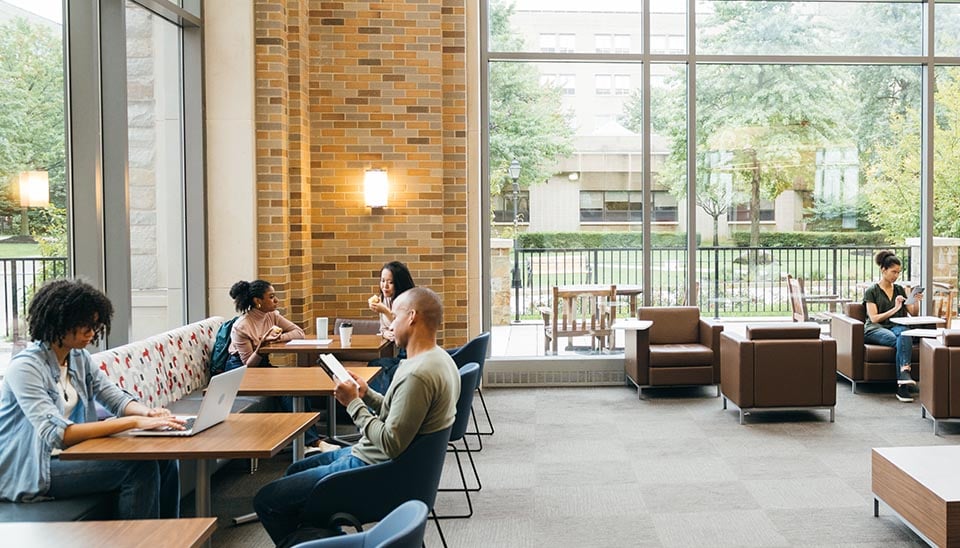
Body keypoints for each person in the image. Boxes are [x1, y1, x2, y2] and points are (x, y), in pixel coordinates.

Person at [254, 287, 460, 545]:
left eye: (394, 317)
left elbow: (391, 442)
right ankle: (327, 539)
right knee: (297, 469)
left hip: (378, 470)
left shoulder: (417, 373)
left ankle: (323, 541)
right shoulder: (439, 359)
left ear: (412, 317)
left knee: (268, 500)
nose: (390, 325)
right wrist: (367, 394)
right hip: (392, 466)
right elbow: (402, 413)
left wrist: (352, 403)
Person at [0, 279, 182, 518]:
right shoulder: (26, 368)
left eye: (95, 325)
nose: (92, 332)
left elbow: (113, 397)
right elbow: (58, 434)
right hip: (33, 468)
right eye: (85, 325)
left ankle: (170, 539)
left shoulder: (78, 358)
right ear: (59, 321)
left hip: (71, 455)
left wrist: (147, 413)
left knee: (165, 460)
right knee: (139, 467)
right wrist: (134, 423)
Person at [863, 250, 923, 402]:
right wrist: (895, 309)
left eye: (898, 273)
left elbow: (913, 314)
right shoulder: (872, 291)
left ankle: (903, 378)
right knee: (902, 340)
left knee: (905, 334)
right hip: (875, 329)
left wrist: (914, 300)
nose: (896, 276)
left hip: (896, 326)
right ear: (883, 270)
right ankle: (903, 385)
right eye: (893, 272)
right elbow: (874, 318)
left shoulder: (899, 289)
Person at [225, 279, 305, 370]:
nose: (276, 300)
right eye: (271, 297)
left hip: (262, 363)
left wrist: (276, 339)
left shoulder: (271, 315)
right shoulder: (241, 326)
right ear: (258, 301)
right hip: (239, 368)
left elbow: (299, 333)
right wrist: (262, 345)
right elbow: (248, 365)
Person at [366, 261, 415, 393]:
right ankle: (381, 405)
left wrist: (385, 311)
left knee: (382, 370)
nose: (385, 286)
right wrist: (384, 334)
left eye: (390, 282)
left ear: (399, 284)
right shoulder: (384, 299)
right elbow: (383, 328)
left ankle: (382, 406)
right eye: (382, 281)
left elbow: (405, 328)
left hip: (411, 355)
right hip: (400, 353)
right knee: (375, 365)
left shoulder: (409, 301)